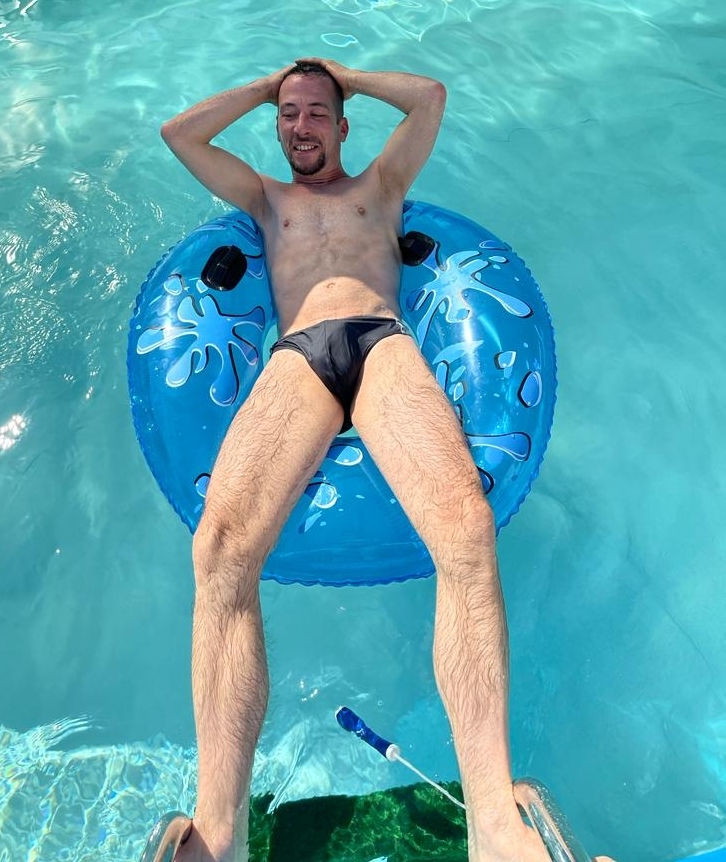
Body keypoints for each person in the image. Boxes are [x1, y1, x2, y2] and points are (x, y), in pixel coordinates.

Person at [160, 59, 611, 862]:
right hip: (298, 355)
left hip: (382, 345)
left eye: (315, 113)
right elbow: (179, 135)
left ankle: (492, 825)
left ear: (342, 126)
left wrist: (345, 76)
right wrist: (269, 85)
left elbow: (431, 98)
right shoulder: (266, 199)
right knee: (221, 550)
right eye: (288, 114)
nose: (300, 126)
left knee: (466, 529)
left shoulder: (382, 185)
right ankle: (220, 832)